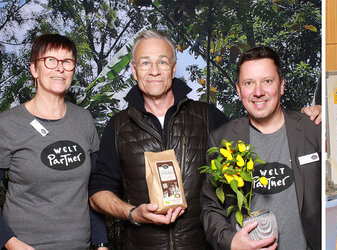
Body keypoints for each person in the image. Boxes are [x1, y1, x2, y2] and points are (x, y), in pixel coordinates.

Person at [88, 30, 321, 249]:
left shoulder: (208, 117)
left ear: (173, 67)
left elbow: (259, 122)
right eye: (145, 62)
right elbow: (98, 191)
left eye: (162, 61)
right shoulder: (117, 126)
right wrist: (133, 213)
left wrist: (314, 116)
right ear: (134, 69)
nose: (154, 70)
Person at [200, 46, 321, 250]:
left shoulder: (313, 128)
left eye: (267, 81)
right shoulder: (221, 139)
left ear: (281, 85)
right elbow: (210, 207)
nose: (258, 92)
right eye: (249, 83)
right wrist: (230, 242)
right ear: (239, 90)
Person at [0, 34, 108, 249]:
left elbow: (94, 189)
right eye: (50, 60)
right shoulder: (7, 124)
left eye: (67, 62)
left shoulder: (83, 120)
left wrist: (101, 242)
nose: (60, 68)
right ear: (34, 69)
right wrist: (10, 243)